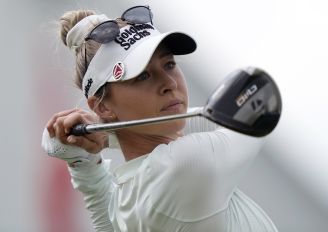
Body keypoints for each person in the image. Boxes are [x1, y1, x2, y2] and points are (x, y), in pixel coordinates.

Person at [41, 5, 278, 232]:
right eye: (143, 75)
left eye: (169, 64)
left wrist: (88, 155)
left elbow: (105, 217)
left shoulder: (130, 198)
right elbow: (256, 103)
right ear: (102, 107)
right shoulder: (184, 166)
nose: (170, 83)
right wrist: (104, 136)